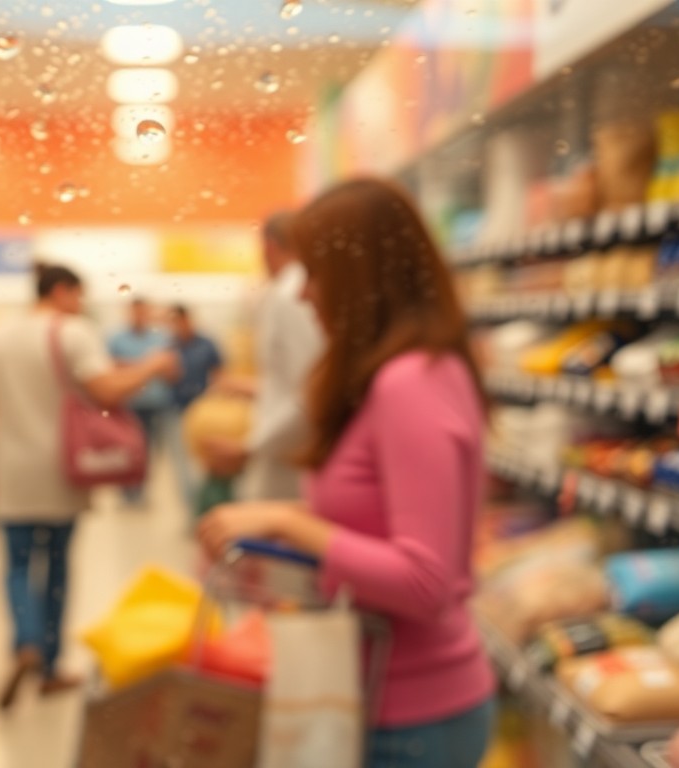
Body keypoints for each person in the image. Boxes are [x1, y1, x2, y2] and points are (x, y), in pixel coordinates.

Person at [197, 178, 497, 768]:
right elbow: (377, 529)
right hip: (374, 696)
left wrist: (287, 522)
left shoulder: (408, 383)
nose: (304, 295)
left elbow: (424, 581)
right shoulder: (400, 374)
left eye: (315, 273)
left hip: (412, 719)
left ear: (363, 279)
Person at [0, 263, 180, 711]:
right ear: (63, 291)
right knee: (57, 566)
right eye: (78, 295)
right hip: (62, 470)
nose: (81, 305)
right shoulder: (73, 333)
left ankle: (25, 641)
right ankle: (49, 666)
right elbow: (107, 391)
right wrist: (155, 365)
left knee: (16, 564)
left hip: (11, 472)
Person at [203, 212, 323, 501]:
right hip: (292, 447)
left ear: (268, 246)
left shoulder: (289, 294)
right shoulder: (295, 290)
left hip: (291, 454)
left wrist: (251, 447)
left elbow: (312, 390)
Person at [107, 297, 174, 505]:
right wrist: (147, 366)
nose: (139, 316)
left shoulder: (162, 338)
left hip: (155, 404)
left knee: (149, 449)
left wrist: (136, 367)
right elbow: (108, 368)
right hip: (127, 404)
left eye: (143, 312)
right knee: (125, 448)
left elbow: (170, 368)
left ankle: (141, 489)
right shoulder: (116, 339)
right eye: (135, 312)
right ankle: (126, 490)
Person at [163, 304, 223, 509]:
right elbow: (167, 378)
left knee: (204, 463)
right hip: (177, 410)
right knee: (182, 465)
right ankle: (193, 509)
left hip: (204, 411)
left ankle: (205, 506)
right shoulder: (170, 347)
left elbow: (219, 373)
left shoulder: (207, 344)